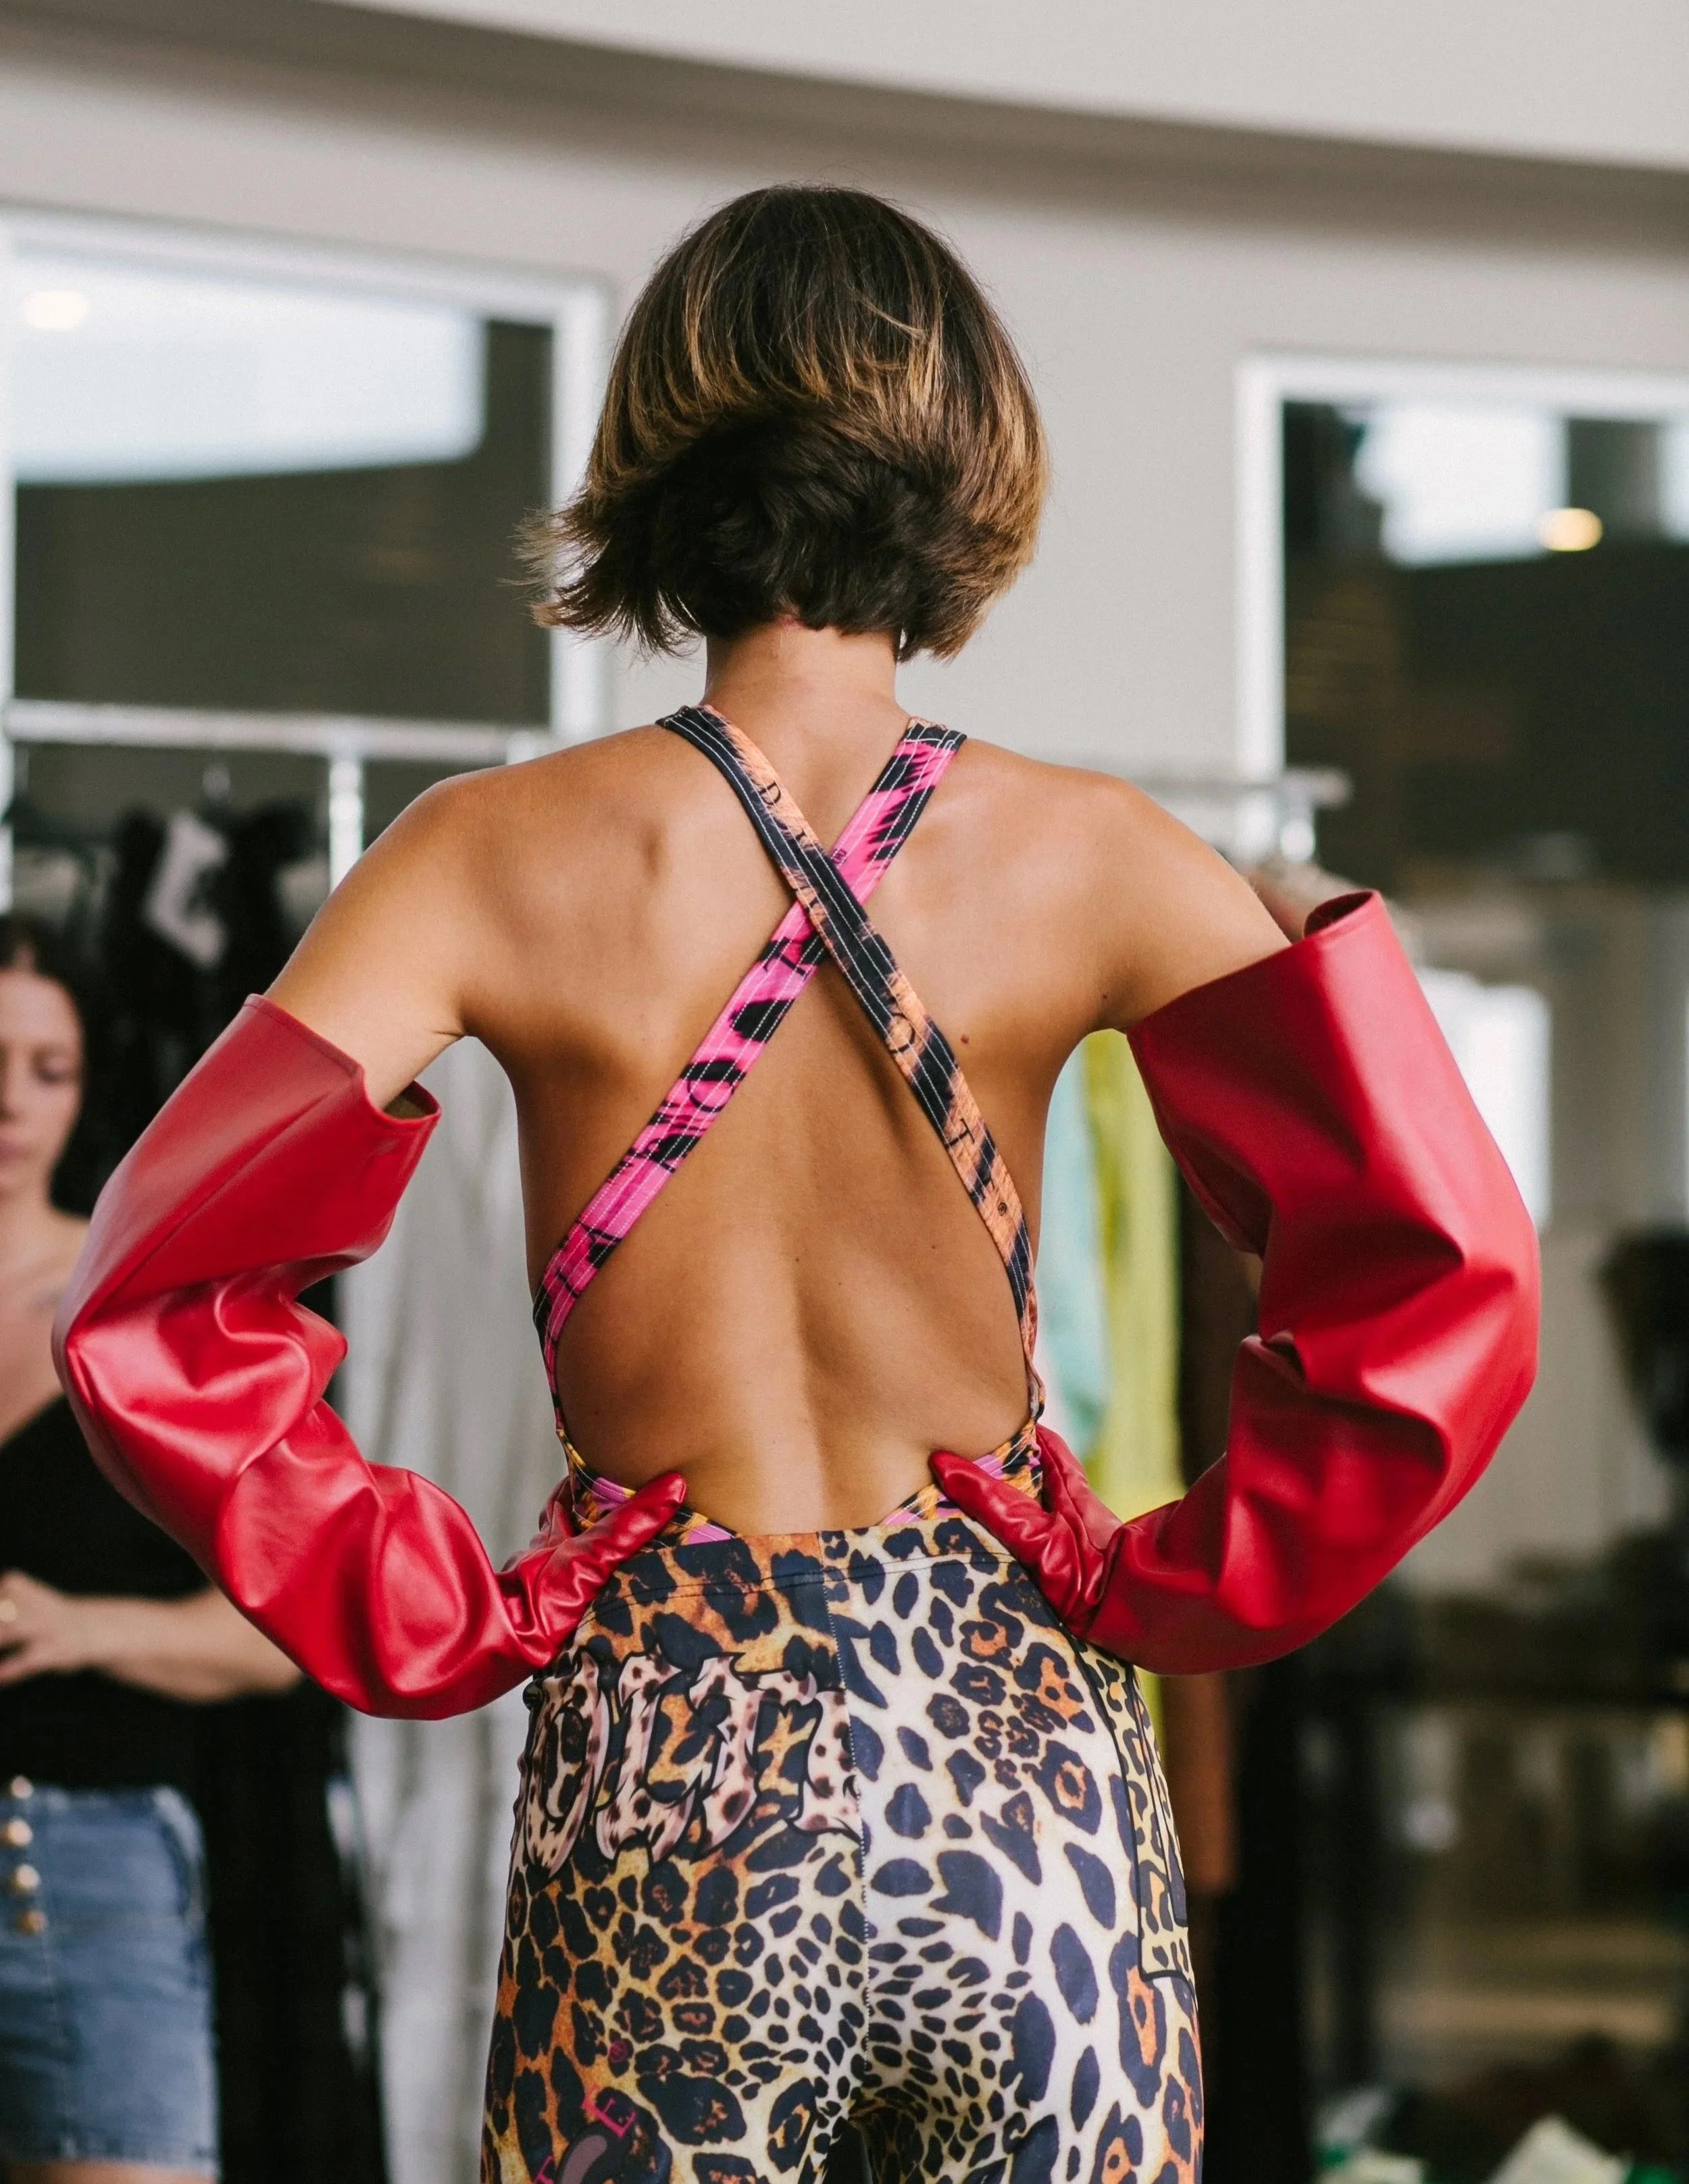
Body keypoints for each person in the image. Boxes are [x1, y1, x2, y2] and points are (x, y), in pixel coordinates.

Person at [52, 188, 1538, 2184]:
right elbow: (1448, 1275)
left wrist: (436, 1608)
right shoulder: (1099, 855)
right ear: (965, 467)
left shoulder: (479, 856)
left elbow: (146, 1297)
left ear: (657, 460)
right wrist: (1184, 1577)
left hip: (672, 1757)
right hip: (1024, 1772)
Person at [0, 916, 297, 2184]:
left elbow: (277, 1634)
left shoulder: (143, 1307)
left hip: (87, 1859)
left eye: (48, 1069)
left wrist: (78, 1626)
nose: (10, 1102)